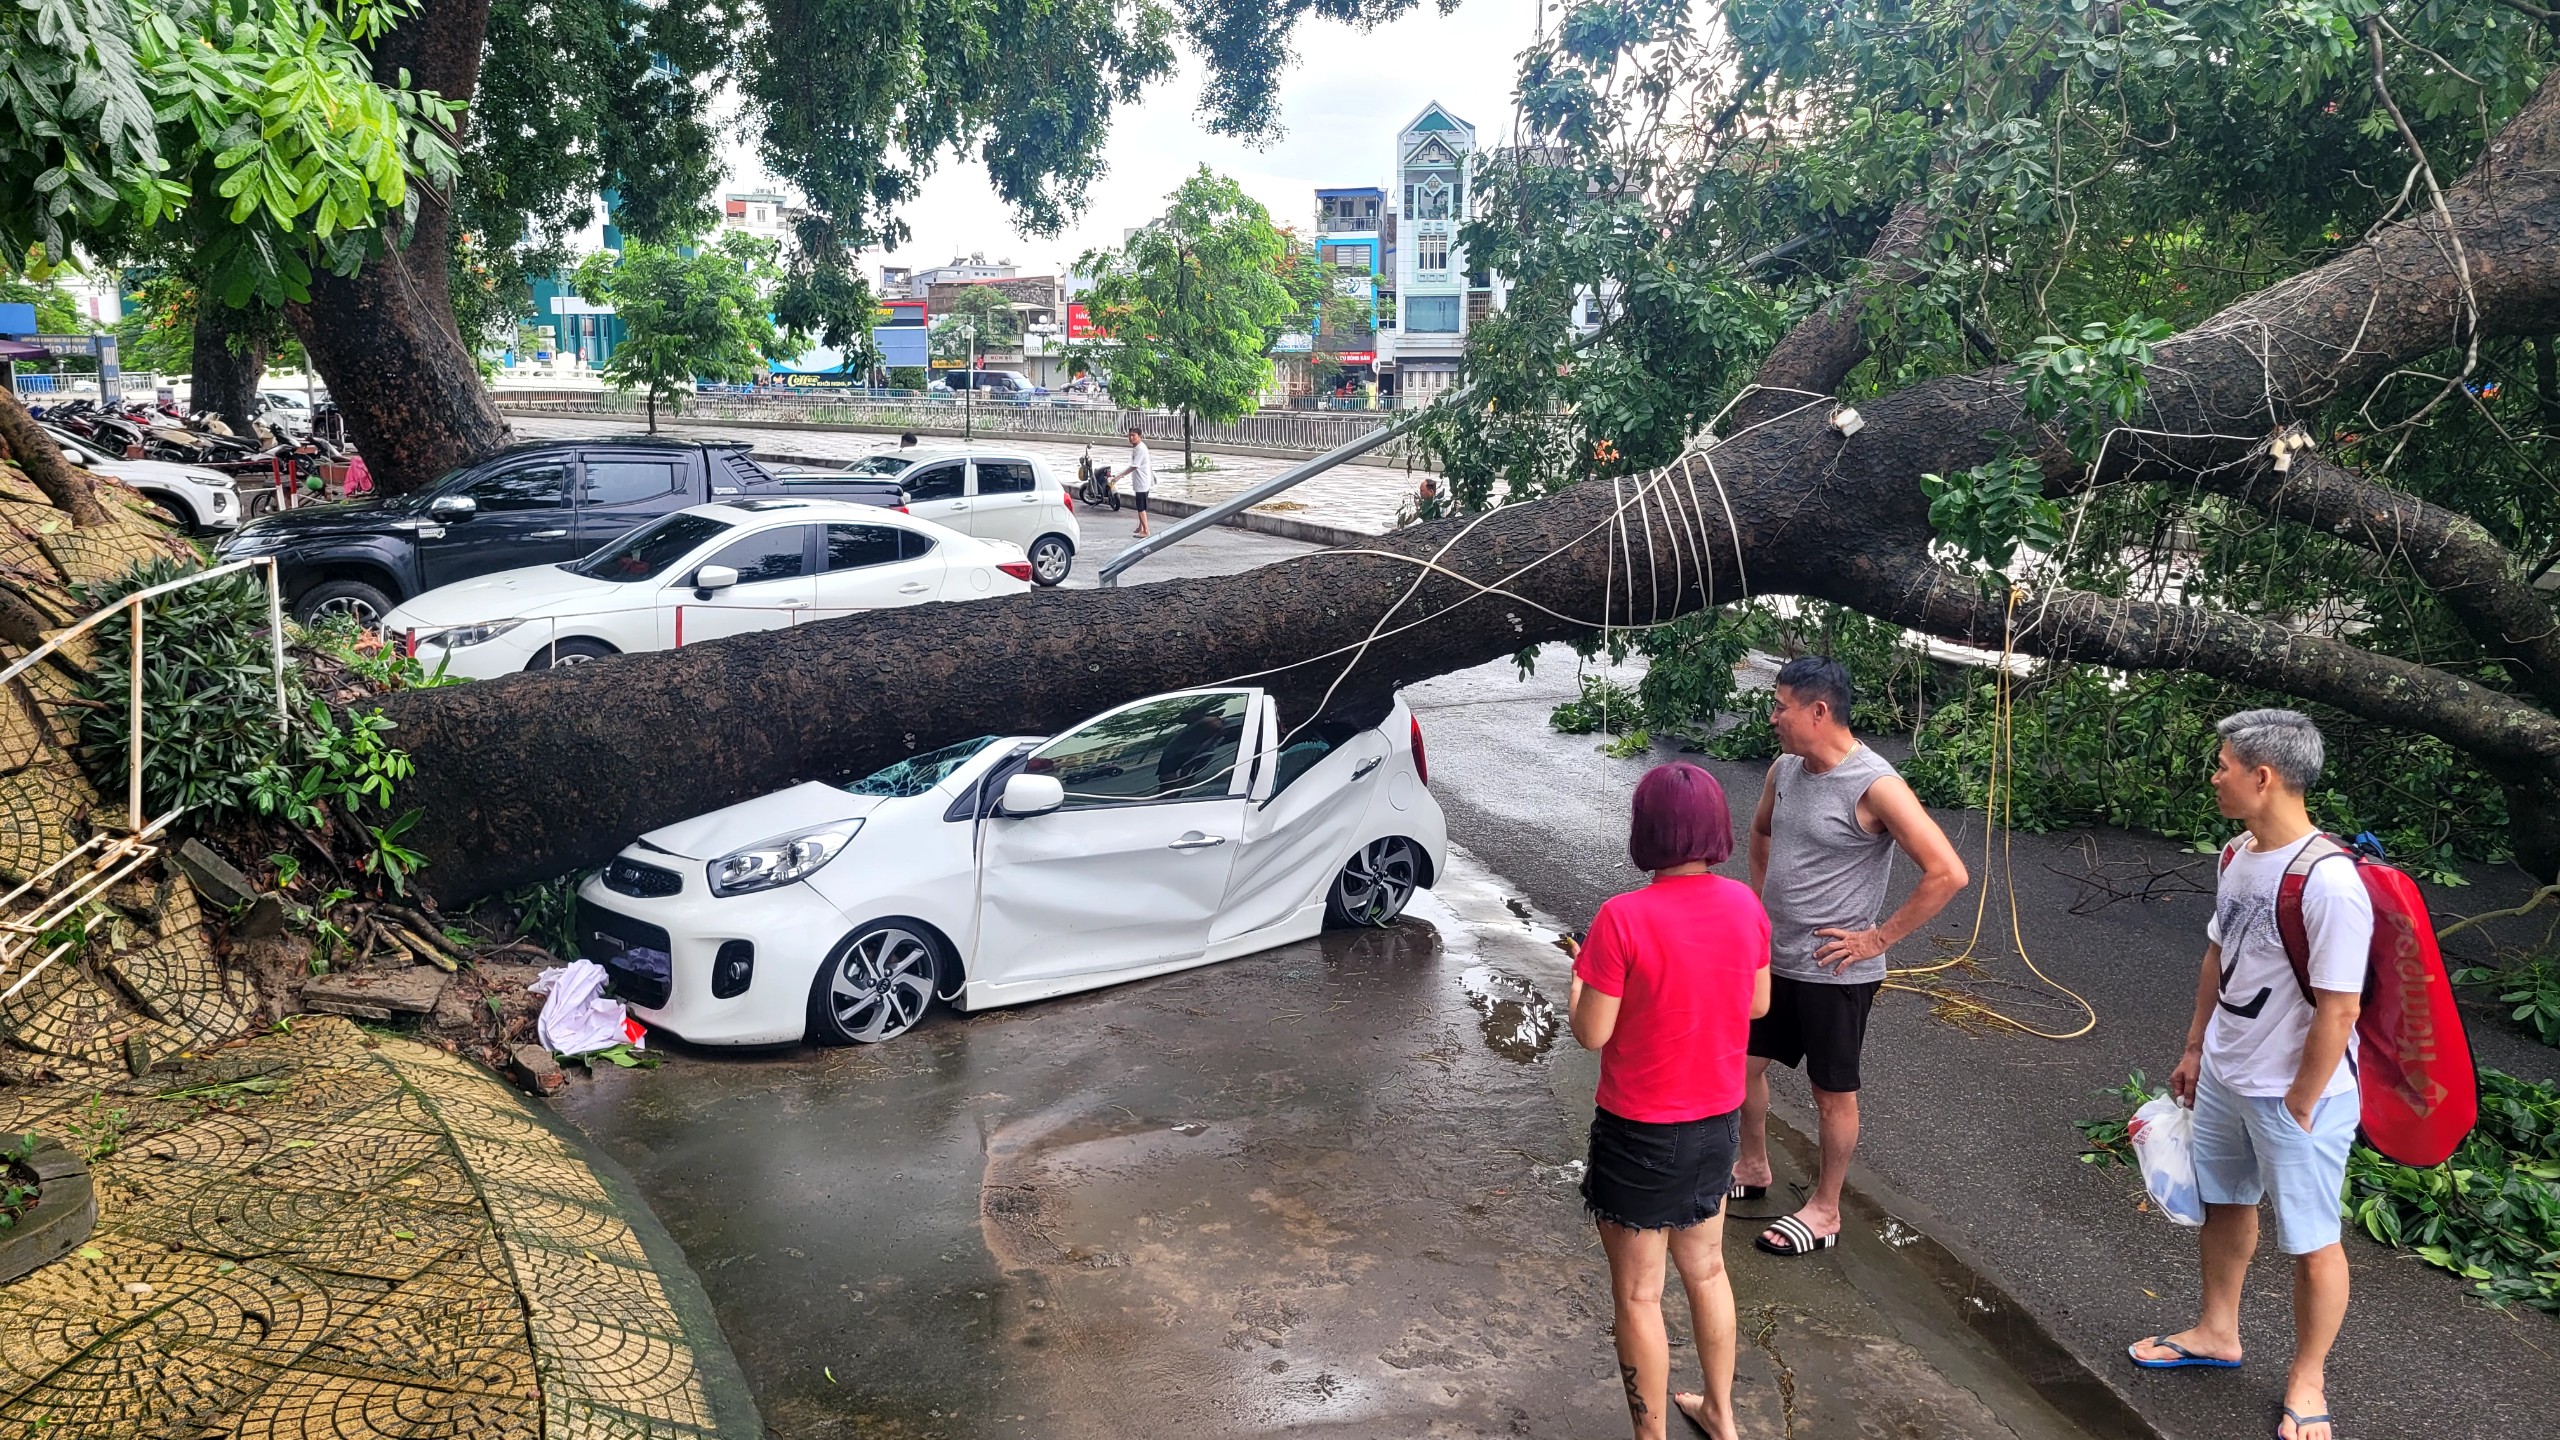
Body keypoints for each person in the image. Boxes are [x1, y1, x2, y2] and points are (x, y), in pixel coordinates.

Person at [2127, 710, 2369, 1440]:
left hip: (2298, 1096)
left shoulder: (2329, 883)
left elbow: (2341, 1009)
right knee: (2226, 1201)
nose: (2216, 775)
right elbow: (2219, 957)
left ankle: (2307, 1376)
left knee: (2312, 1238)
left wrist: (2300, 1100)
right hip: (2230, 1073)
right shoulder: (2237, 854)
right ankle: (2217, 1331)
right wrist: (2197, 1048)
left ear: (2262, 777)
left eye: (2224, 764)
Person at [1735, 655, 1967, 1257]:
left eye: (1781, 706)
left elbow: (1947, 874)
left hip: (1836, 973)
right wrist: (1758, 905)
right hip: (1774, 958)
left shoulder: (1876, 785)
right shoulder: (1784, 770)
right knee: (1742, 1067)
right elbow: (1760, 833)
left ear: (1818, 711)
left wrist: (1875, 939)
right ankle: (1752, 1166)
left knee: (1830, 1093)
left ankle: (1825, 1209)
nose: (1773, 717)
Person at [1569, 763, 1772, 1440]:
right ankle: (1721, 1413)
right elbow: (1758, 1002)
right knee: (1708, 1270)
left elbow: (1591, 1032)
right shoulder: (1746, 904)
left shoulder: (1621, 918)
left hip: (1640, 1134)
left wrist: (1577, 980)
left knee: (1638, 1294)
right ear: (1715, 829)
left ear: (1645, 831)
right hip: (1717, 1124)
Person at [1126, 426, 1154, 538]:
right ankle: (1141, 526)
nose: (1131, 438)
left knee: (1140, 506)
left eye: (1134, 436)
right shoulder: (1138, 447)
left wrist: (1119, 476)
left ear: (1139, 437)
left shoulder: (1140, 449)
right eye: (1130, 435)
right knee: (1141, 505)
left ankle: (1146, 530)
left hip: (1142, 482)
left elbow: (1134, 466)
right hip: (1142, 481)